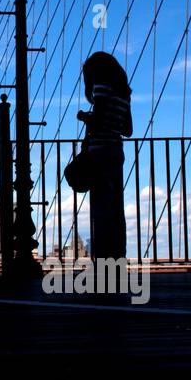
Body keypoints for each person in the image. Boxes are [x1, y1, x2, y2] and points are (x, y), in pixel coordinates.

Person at [76, 51, 132, 261]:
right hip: (116, 152)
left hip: (99, 154)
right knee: (115, 209)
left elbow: (97, 120)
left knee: (100, 208)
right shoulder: (124, 94)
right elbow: (128, 129)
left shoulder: (100, 87)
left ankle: (101, 260)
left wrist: (84, 117)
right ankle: (117, 258)